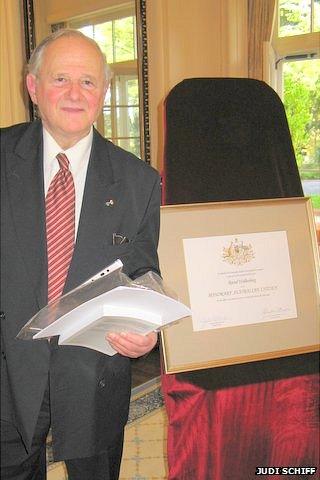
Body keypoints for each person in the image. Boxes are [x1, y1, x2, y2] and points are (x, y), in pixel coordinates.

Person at [1, 29, 160, 480]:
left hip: (94, 376)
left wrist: (146, 330)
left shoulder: (139, 181)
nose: (75, 93)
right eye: (60, 79)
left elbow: (143, 271)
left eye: (88, 82)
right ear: (33, 87)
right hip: (6, 378)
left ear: (104, 92)